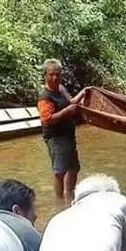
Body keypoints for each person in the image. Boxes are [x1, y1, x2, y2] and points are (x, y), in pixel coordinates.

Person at [38, 58, 90, 203]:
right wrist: (67, 111)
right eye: (51, 74)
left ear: (61, 75)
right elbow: (47, 119)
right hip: (56, 138)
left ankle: (69, 196)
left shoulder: (60, 89)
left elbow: (71, 102)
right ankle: (59, 202)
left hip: (68, 136)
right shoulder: (45, 97)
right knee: (60, 172)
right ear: (45, 75)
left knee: (74, 168)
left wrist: (83, 93)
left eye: (57, 74)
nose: (54, 77)